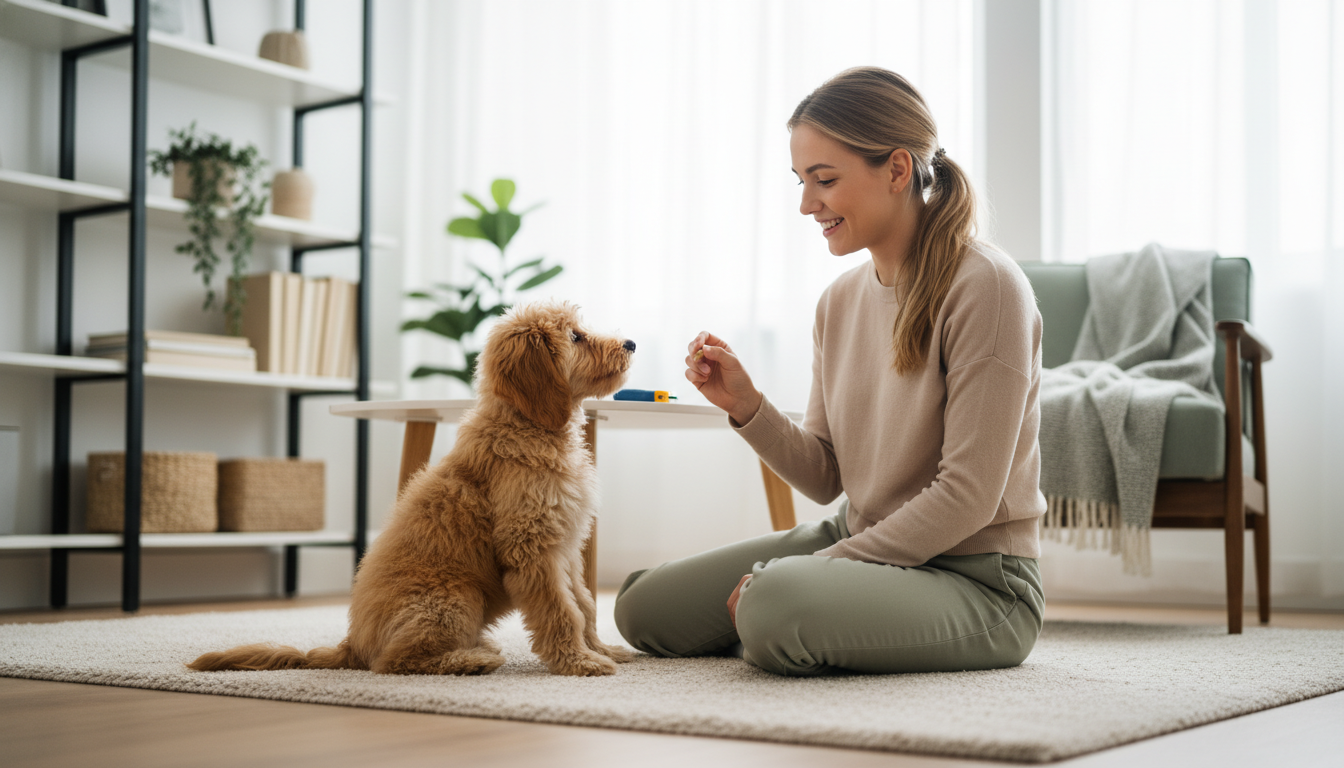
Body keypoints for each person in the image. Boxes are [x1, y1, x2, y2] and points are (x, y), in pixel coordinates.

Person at [612, 66, 1047, 676]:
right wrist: (748, 407)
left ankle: (804, 620)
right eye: (801, 180)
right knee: (642, 609)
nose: (806, 204)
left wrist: (818, 570)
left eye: (824, 180)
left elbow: (969, 498)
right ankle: (819, 622)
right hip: (864, 542)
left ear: (897, 170)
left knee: (772, 604)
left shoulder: (988, 287)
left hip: (979, 581)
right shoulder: (838, 301)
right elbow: (825, 477)